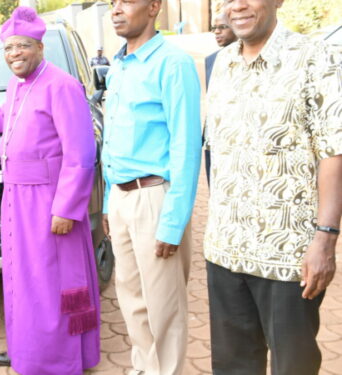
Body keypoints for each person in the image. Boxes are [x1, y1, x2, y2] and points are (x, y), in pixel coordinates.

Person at [0, 7, 100, 374]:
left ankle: (57, 358)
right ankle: (28, 350)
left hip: (48, 201)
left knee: (49, 280)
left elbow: (82, 154)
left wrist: (67, 208)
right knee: (22, 279)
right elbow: (4, 115)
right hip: (16, 199)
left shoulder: (62, 85)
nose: (14, 54)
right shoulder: (18, 84)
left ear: (39, 46)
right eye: (8, 48)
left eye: (22, 46)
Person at [204, 0, 342, 374]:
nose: (238, 6)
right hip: (226, 248)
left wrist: (325, 239)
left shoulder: (315, 57)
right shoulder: (221, 65)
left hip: (289, 257)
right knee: (233, 365)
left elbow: (334, 151)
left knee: (292, 365)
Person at [101, 1, 201, 374]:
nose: (116, 10)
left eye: (126, 1)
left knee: (164, 308)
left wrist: (173, 221)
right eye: (112, 3)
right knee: (132, 301)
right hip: (123, 199)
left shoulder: (173, 63)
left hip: (155, 198)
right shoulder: (120, 65)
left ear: (154, 6)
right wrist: (111, 199)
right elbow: (114, 139)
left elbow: (186, 146)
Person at [202, 13, 237, 187]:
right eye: (214, 28)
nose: (217, 32)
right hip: (212, 143)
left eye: (222, 27)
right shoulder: (210, 60)